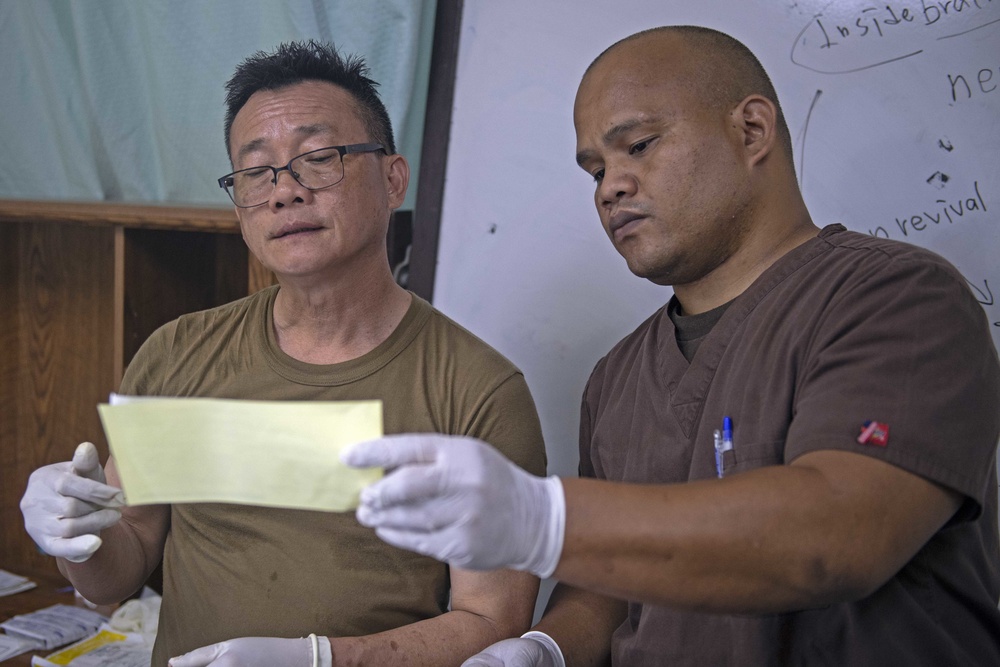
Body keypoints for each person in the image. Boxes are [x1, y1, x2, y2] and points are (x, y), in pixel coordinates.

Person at [343, 26, 1000, 666]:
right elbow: (610, 585)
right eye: (596, 169)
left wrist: (547, 518)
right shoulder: (619, 376)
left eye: (639, 145)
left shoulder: (899, 300)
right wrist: (549, 646)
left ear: (751, 131)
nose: (610, 187)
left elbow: (840, 533)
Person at [20, 41, 546, 667]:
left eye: (317, 159)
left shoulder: (477, 390)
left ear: (393, 178)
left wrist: (323, 659)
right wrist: (80, 537)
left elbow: (493, 621)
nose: (284, 192)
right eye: (256, 172)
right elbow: (118, 570)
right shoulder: (177, 355)